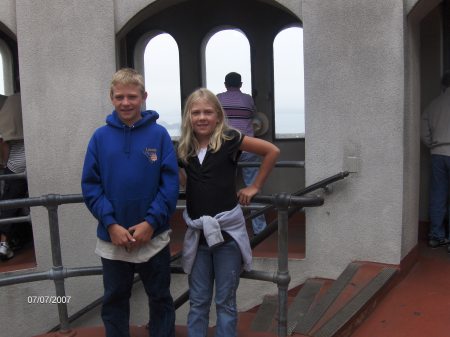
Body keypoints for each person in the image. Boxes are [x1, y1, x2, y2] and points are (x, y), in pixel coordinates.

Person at [81, 68, 179, 337]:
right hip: (113, 238)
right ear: (111, 97)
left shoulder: (159, 136)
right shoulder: (99, 138)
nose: (126, 102)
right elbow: (90, 187)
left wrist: (151, 222)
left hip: (153, 237)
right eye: (120, 96)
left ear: (144, 97)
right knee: (114, 300)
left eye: (132, 96)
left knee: (160, 298)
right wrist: (111, 224)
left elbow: (170, 186)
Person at [178, 88, 280, 337]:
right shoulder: (185, 149)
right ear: (188, 117)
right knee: (199, 302)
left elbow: (271, 151)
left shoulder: (230, 139)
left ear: (218, 116)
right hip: (199, 236)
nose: (202, 117)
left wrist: (255, 185)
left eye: (208, 112)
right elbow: (184, 181)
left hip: (227, 238)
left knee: (225, 302)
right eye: (196, 112)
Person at [217, 72, 267, 235]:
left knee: (222, 188)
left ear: (225, 84)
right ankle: (261, 230)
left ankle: (223, 227)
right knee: (253, 186)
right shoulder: (248, 99)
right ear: (240, 84)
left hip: (226, 149)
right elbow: (254, 115)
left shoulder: (218, 98)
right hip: (248, 147)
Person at [0, 93, 31, 260]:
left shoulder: (8, 107)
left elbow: (3, 143)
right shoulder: (27, 101)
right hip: (34, 161)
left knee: (9, 203)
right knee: (28, 204)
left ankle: (3, 243)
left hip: (16, 165)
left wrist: (5, 164)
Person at [421, 71, 450, 250]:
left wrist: (432, 144)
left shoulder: (434, 104)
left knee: (438, 195)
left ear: (443, 86)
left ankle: (436, 236)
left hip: (438, 153)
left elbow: (422, 130)